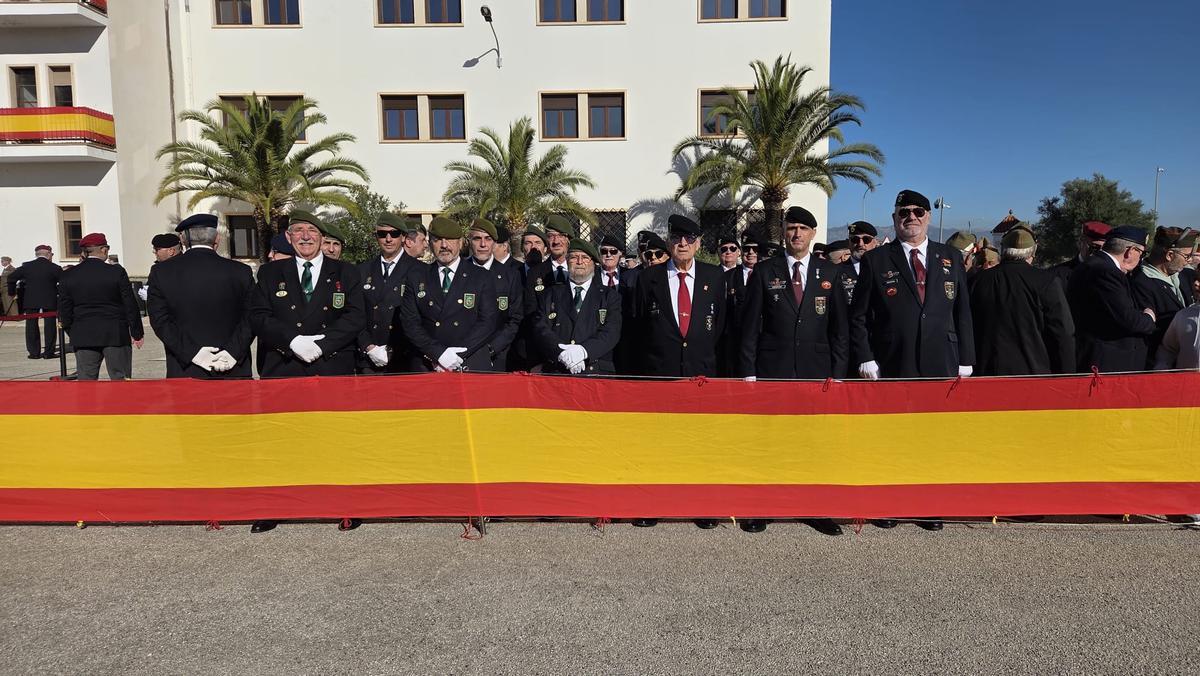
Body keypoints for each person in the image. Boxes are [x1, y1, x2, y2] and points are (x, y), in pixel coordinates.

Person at [850, 189, 976, 381]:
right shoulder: (875, 259)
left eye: (918, 212)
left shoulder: (951, 256)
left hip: (943, 359)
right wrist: (865, 357)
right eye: (904, 212)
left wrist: (966, 357)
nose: (911, 217)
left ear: (928, 217)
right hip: (894, 359)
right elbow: (859, 315)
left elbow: (962, 311)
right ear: (894, 218)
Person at [250, 211, 366, 378]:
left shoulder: (347, 272)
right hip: (284, 365)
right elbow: (258, 316)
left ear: (322, 238)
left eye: (312, 230)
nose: (305, 236)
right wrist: (292, 341)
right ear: (289, 237)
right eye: (298, 230)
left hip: (331, 365)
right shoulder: (270, 272)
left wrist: (322, 345)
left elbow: (356, 316)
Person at [738, 205, 849, 381]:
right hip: (773, 367)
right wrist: (748, 371)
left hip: (817, 367)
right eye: (791, 228)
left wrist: (839, 373)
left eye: (803, 229)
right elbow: (750, 327)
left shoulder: (830, 272)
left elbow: (839, 329)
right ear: (784, 232)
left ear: (813, 233)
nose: (797, 234)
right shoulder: (763, 271)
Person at [146, 214, 255, 378]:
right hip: (232, 367)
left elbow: (160, 320)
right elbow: (252, 316)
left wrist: (194, 354)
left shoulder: (162, 272)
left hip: (186, 368)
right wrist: (232, 352)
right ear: (216, 238)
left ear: (183, 239)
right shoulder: (241, 271)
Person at [968, 224, 1075, 376]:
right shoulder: (1047, 281)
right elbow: (1062, 333)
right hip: (1033, 373)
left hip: (986, 372)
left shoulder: (978, 281)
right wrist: (1067, 376)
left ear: (1003, 250)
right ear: (1032, 252)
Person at [395, 216, 497, 372]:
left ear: (461, 242)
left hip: (470, 361)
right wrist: (439, 354)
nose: (444, 245)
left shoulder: (481, 276)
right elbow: (410, 322)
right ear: (429, 244)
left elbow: (487, 322)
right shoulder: (417, 276)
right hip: (429, 364)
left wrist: (456, 355)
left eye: (449, 239)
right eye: (437, 240)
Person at [634, 214, 727, 378]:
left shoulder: (714, 276)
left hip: (701, 372)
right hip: (661, 373)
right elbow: (640, 325)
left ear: (697, 244)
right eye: (677, 238)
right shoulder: (648, 278)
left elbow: (719, 323)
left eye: (689, 238)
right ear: (669, 243)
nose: (683, 244)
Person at [1066, 225, 1157, 373]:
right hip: (1107, 364)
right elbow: (1128, 319)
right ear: (1130, 251)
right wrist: (1148, 318)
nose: (1141, 258)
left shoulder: (1095, 265)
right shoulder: (1106, 272)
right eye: (1141, 252)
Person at [529, 238, 622, 374]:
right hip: (558, 370)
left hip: (595, 371)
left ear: (594, 264)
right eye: (574, 257)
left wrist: (584, 351)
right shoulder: (550, 294)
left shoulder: (609, 296)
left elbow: (611, 331)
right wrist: (560, 352)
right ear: (567, 261)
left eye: (585, 258)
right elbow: (540, 327)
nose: (579, 262)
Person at [57, 233, 143, 380]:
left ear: (84, 252)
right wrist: (136, 332)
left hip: (83, 333)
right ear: (103, 249)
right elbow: (130, 304)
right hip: (114, 333)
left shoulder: (69, 275)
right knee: (120, 379)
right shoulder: (116, 272)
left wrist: (72, 331)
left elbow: (64, 309)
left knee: (86, 381)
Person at [357, 213, 422, 374]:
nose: (388, 239)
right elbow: (355, 313)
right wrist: (368, 347)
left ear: (403, 237)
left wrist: (394, 349)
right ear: (376, 237)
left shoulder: (420, 270)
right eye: (382, 234)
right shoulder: (362, 270)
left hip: (405, 357)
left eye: (394, 234)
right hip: (370, 359)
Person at [1131, 227, 1196, 368]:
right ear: (1169, 255)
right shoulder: (1140, 282)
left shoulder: (1186, 275)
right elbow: (1149, 328)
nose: (1189, 261)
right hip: (1158, 365)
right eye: (1186, 256)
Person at [467, 217, 524, 371]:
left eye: (488, 239)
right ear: (469, 241)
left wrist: (491, 349)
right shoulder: (459, 271)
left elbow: (515, 318)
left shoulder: (510, 275)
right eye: (477, 239)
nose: (483, 244)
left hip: (497, 355)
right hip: (461, 354)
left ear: (494, 242)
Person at [7, 244, 62, 359]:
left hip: (31, 298)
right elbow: (64, 282)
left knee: (31, 325)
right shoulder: (55, 268)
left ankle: (34, 352)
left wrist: (12, 292)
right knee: (50, 325)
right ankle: (49, 352)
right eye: (51, 254)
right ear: (47, 254)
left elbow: (11, 278)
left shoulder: (27, 266)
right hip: (49, 298)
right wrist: (59, 292)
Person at [1154, 275, 1200, 370]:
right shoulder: (1183, 315)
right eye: (1197, 279)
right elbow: (1168, 349)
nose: (1196, 283)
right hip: (1186, 382)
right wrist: (1162, 371)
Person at [1051, 221, 1110, 287]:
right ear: (1081, 241)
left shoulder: (1113, 276)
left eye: (1104, 249)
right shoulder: (1057, 274)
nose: (1099, 253)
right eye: (1094, 247)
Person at [838, 221, 879, 306]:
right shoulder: (836, 272)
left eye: (866, 240)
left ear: (875, 242)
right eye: (855, 240)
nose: (860, 244)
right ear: (849, 242)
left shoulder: (885, 268)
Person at [138, 233, 183, 302]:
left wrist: (151, 297)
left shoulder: (185, 266)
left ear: (171, 251)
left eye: (157, 249)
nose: (153, 252)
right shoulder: (157, 268)